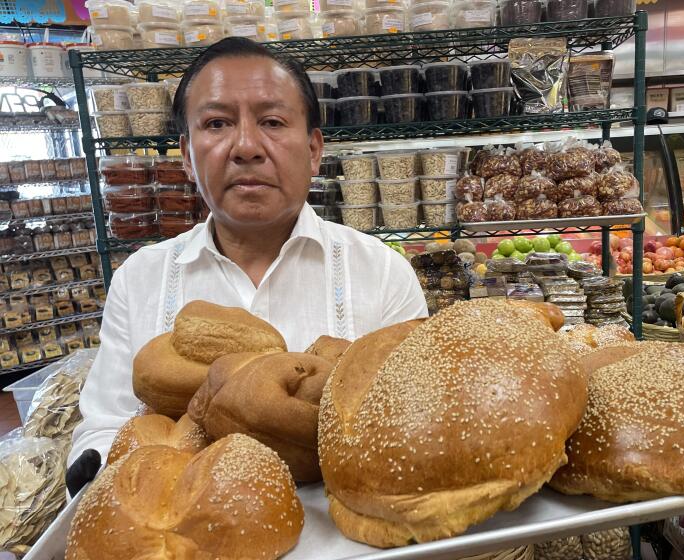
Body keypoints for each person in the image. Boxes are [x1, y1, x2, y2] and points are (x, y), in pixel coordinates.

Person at [67, 38, 427, 493]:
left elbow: (414, 423)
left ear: (314, 150)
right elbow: (105, 428)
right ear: (187, 157)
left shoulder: (381, 273)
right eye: (217, 123)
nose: (245, 146)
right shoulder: (139, 280)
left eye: (272, 122)